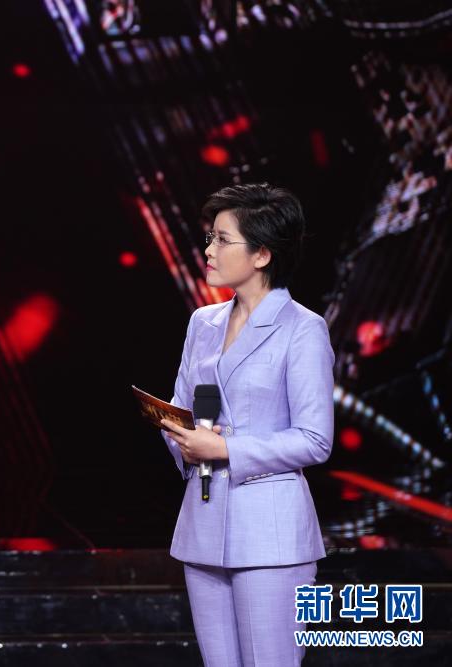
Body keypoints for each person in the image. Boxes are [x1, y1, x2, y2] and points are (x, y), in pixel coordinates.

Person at [159, 183, 334, 666]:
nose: (208, 251)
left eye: (222, 239)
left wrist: (225, 450)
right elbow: (181, 407)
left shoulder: (303, 328)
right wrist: (182, 437)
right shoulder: (203, 322)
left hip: (270, 535)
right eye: (210, 238)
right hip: (203, 521)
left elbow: (315, 439)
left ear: (262, 254)